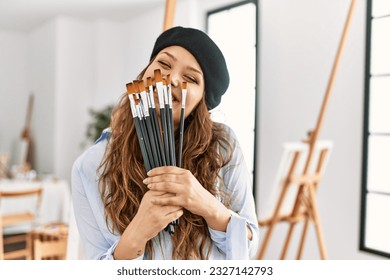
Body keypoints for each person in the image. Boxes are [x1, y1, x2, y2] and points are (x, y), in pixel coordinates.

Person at [72, 26, 259, 260]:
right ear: (143, 74)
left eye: (190, 78)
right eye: (164, 64)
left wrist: (206, 205)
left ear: (202, 101)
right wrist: (137, 233)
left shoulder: (223, 146)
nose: (171, 79)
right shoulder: (90, 165)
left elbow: (249, 249)